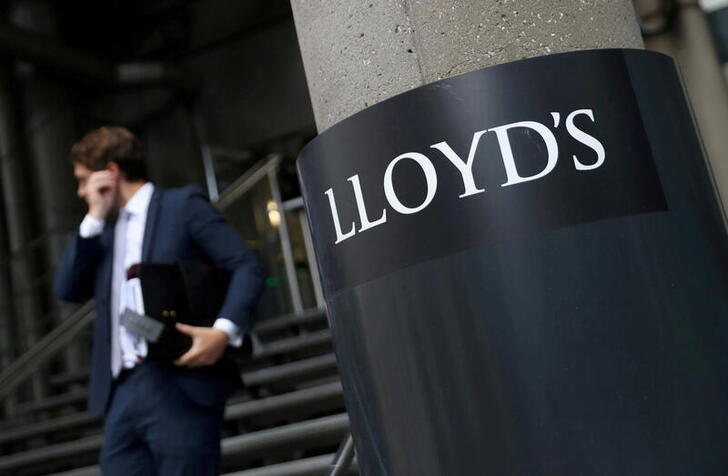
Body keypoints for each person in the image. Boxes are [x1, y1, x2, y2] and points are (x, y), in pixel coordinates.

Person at [53, 126, 264, 475]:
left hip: (179, 381)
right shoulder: (103, 234)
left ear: (111, 172)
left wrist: (222, 332)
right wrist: (93, 218)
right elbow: (66, 290)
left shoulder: (181, 206)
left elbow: (246, 265)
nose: (79, 191)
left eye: (83, 180)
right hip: (123, 391)